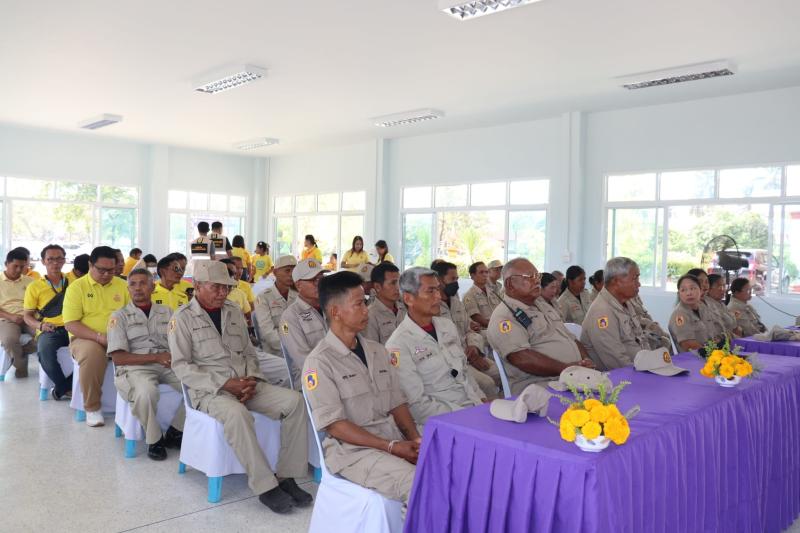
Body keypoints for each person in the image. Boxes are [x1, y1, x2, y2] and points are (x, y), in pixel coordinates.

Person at [169, 260, 311, 514]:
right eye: (216, 287)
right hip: (211, 392)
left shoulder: (233, 311)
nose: (222, 292)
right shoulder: (182, 319)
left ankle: (286, 476)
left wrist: (252, 380)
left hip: (246, 384)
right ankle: (265, 485)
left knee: (295, 402)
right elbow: (181, 366)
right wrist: (225, 384)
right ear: (197, 286)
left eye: (226, 287)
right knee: (237, 413)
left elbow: (249, 353)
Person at [302, 271, 420, 504]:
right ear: (335, 312)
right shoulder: (319, 363)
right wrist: (391, 447)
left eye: (365, 302)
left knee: (445, 460)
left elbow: (397, 402)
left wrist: (416, 440)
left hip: (390, 436)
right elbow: (336, 426)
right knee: (417, 482)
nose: (366, 310)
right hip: (352, 451)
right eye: (359, 304)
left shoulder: (377, 351)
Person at [388, 267, 485, 426]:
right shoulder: (398, 345)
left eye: (438, 290)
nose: (438, 296)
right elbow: (417, 405)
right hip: (444, 421)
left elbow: (464, 372)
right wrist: (465, 416)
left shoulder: (447, 326)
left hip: (473, 408)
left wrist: (481, 400)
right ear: (408, 298)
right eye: (430, 291)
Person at [108, 269, 184, 461]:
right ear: (128, 289)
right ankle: (155, 439)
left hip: (168, 363)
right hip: (136, 366)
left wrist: (175, 358)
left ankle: (176, 430)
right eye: (132, 284)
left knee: (198, 386)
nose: (137, 288)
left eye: (142, 283)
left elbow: (180, 341)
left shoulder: (167, 312)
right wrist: (156, 358)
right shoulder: (119, 316)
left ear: (152, 287)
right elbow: (118, 358)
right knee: (145, 392)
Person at [487, 258, 593, 395]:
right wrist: (568, 369)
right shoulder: (504, 317)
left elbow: (570, 338)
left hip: (572, 377)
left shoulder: (542, 305)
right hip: (540, 386)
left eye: (537, 276)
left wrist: (586, 361)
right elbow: (522, 358)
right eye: (529, 277)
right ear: (510, 284)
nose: (537, 281)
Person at [63, 246, 130, 427]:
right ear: (90, 265)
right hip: (85, 338)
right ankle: (92, 407)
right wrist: (100, 338)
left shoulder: (123, 285)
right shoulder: (77, 288)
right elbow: (71, 323)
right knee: (93, 354)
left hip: (120, 335)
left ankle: (136, 402)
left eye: (111, 270)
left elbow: (133, 314)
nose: (107, 274)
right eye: (101, 270)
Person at [431, 261, 500, 399]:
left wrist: (474, 348)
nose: (456, 283)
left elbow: (470, 329)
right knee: (487, 384)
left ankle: (502, 403)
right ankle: (487, 409)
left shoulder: (456, 303)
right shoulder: (432, 308)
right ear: (438, 280)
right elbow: (440, 342)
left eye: (457, 279)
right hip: (454, 361)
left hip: (471, 353)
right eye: (452, 279)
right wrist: (470, 358)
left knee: (501, 372)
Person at [580, 257, 651, 370]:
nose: (639, 284)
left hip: (642, 366)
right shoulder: (602, 312)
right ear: (616, 281)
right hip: (620, 376)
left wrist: (652, 363)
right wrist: (647, 374)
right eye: (635, 279)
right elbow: (616, 362)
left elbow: (640, 339)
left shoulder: (625, 303)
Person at [23, 244, 72, 398]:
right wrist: (41, 325)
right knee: (44, 352)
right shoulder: (35, 286)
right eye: (50, 259)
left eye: (59, 259)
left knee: (97, 351)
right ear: (43, 261)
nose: (55, 263)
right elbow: (27, 316)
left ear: (64, 260)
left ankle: (61, 389)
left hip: (74, 327)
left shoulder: (74, 282)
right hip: (50, 330)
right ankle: (66, 388)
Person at [279, 258, 328, 386]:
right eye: (313, 280)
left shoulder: (332, 307)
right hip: (312, 379)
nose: (319, 284)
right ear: (299, 285)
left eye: (321, 279)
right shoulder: (289, 318)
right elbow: (303, 360)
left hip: (340, 372)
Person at [0, 248, 36, 377]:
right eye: (15, 266)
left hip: (29, 317)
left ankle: (19, 353)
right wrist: (11, 316)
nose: (19, 270)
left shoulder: (31, 282)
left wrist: (31, 315)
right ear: (6, 264)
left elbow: (39, 303)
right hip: (6, 319)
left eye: (22, 266)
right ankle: (20, 366)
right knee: (9, 340)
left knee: (48, 337)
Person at [669, 274, 725, 351]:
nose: (689, 293)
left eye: (692, 288)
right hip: (696, 357)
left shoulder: (704, 308)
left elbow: (715, 335)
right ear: (679, 294)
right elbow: (689, 345)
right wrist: (713, 353)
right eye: (683, 290)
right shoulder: (680, 315)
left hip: (714, 353)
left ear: (701, 290)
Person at [254, 256, 297, 354]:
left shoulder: (298, 296)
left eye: (294, 271)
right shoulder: (263, 297)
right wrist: (290, 349)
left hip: (298, 346)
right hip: (276, 351)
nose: (291, 274)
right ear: (275, 272)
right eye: (287, 270)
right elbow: (267, 332)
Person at [365, 262, 405, 344]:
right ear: (377, 287)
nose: (398, 287)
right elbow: (372, 349)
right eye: (393, 283)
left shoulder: (405, 309)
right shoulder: (370, 315)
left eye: (399, 282)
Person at [687, 267, 731, 339]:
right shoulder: (686, 309)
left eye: (706, 282)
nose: (704, 285)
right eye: (700, 281)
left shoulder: (710, 303)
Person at [463, 261, 502, 330]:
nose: (485, 275)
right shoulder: (469, 296)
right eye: (481, 272)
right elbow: (477, 318)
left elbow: (501, 310)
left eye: (486, 272)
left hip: (499, 326)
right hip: (485, 331)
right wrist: (498, 326)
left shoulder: (493, 292)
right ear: (472, 276)